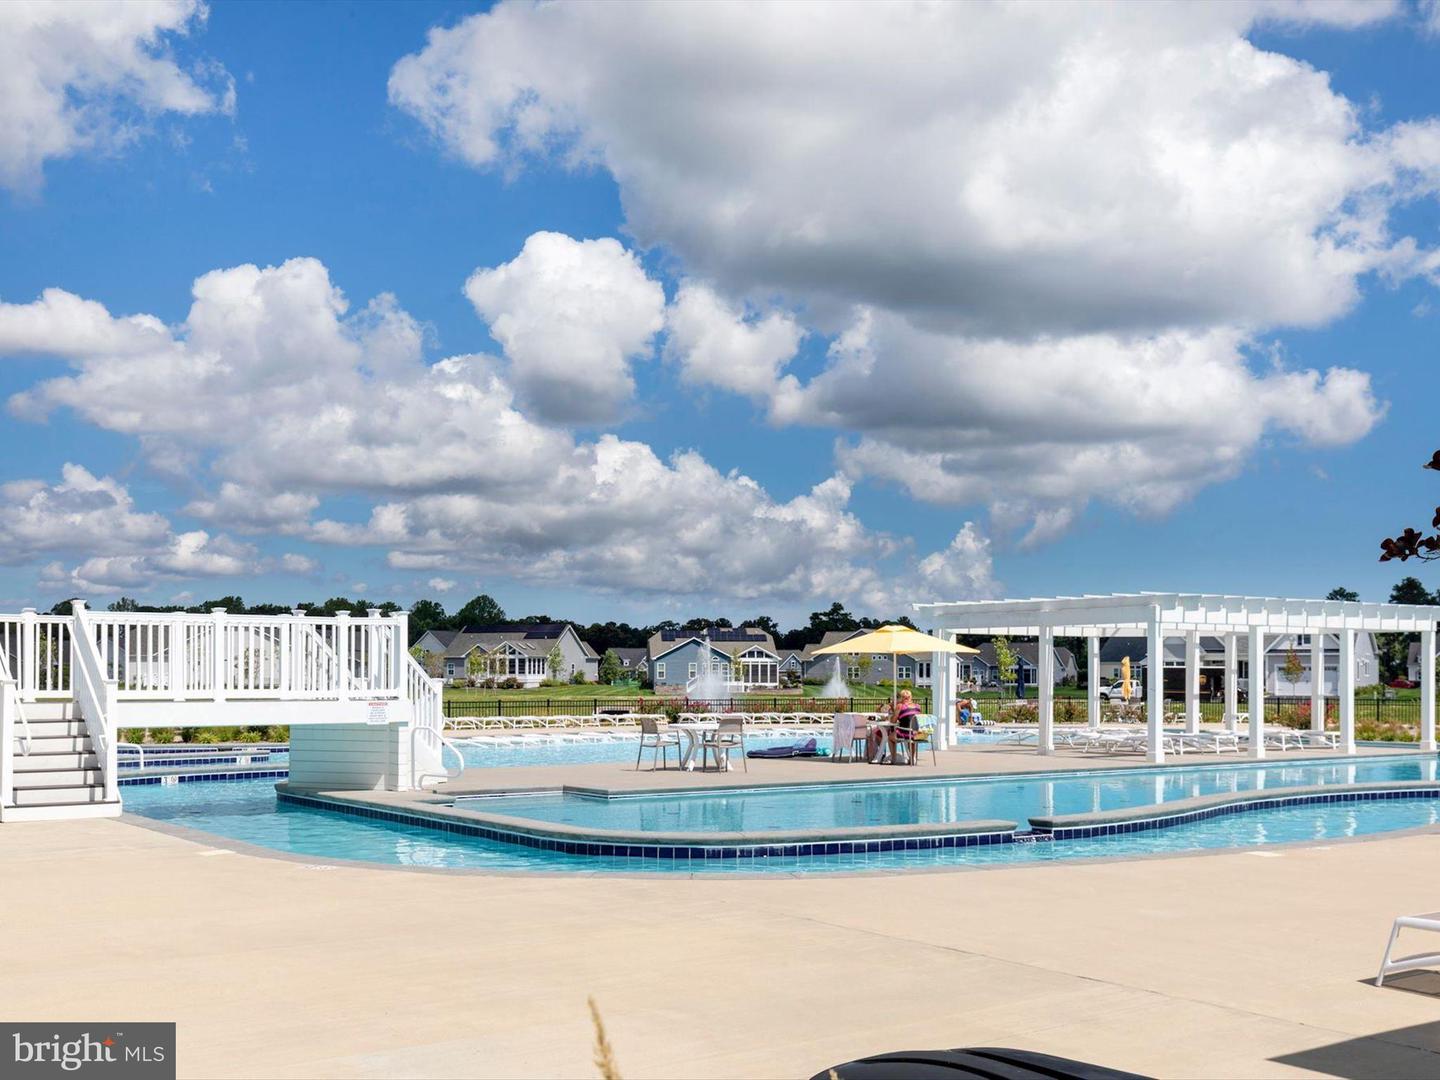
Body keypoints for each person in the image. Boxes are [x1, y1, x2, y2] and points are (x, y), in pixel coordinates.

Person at [869, 689, 922, 763]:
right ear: (911, 697)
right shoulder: (918, 706)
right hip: (917, 733)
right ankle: (912, 758)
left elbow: (893, 721)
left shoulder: (900, 706)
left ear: (902, 698)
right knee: (911, 739)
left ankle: (893, 759)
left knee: (890, 738)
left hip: (905, 732)